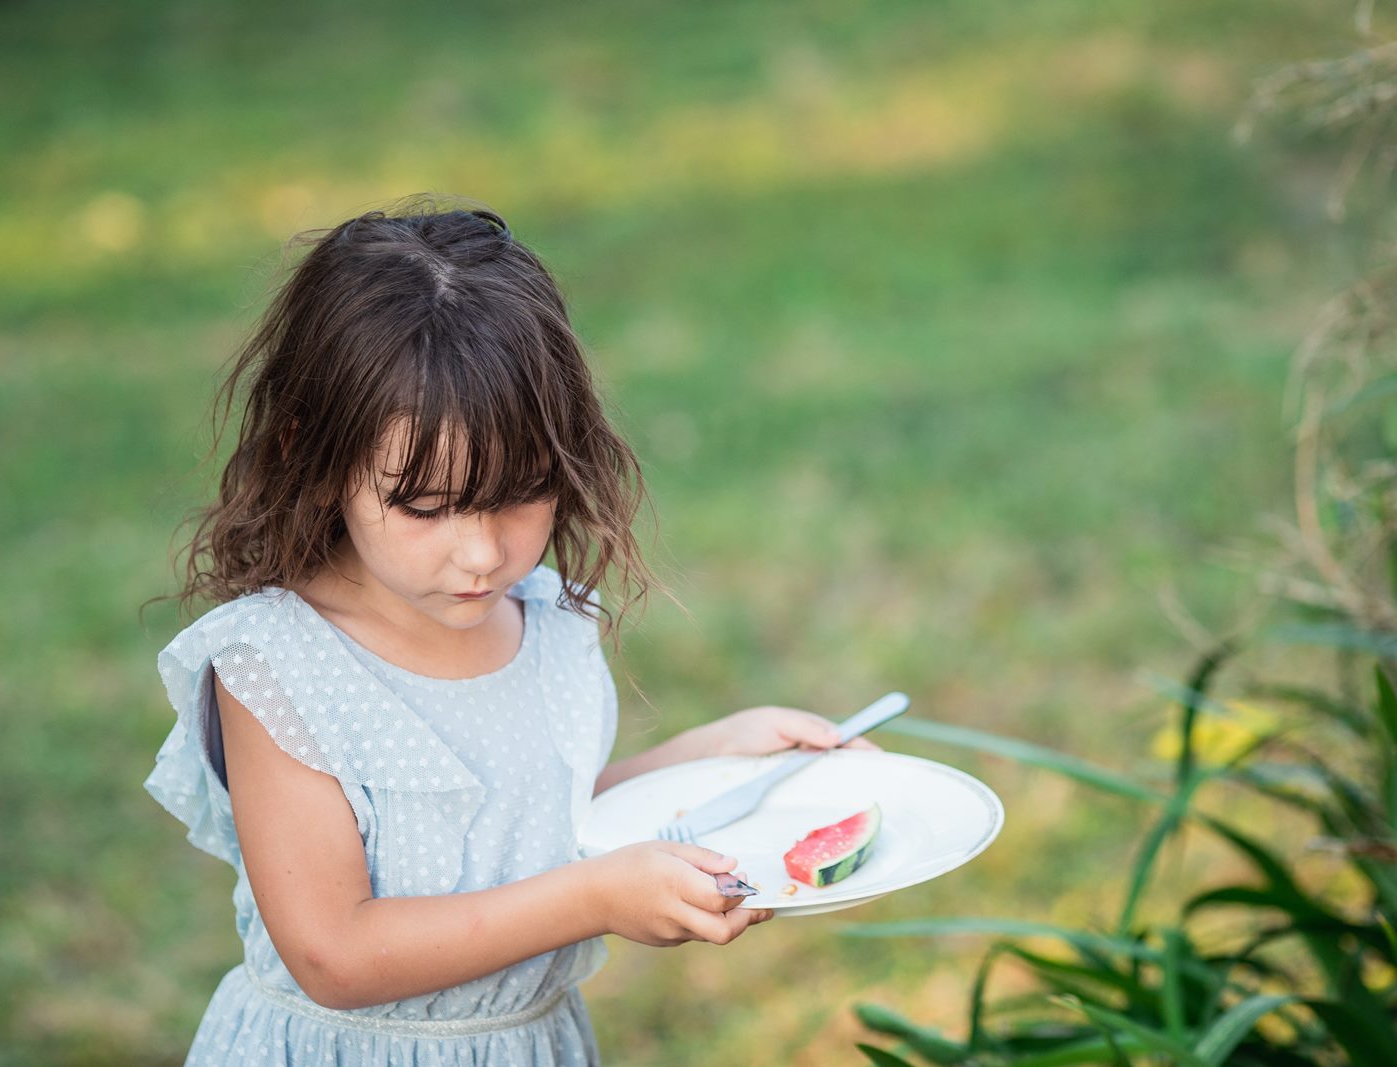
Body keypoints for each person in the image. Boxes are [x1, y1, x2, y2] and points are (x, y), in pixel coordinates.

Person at [144, 194, 877, 1066]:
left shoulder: (545, 618)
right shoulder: (279, 667)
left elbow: (532, 818)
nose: (484, 553)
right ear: (316, 454)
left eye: (521, 491)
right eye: (426, 506)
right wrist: (594, 900)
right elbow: (333, 952)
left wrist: (718, 756)